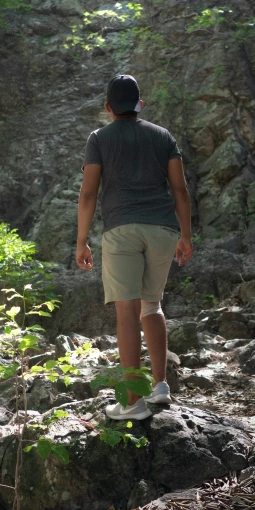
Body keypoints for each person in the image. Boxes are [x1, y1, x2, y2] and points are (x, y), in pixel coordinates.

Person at [76, 73, 192, 421]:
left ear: (109, 107)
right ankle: (160, 387)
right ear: (139, 104)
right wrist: (185, 235)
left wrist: (81, 241)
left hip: (122, 230)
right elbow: (181, 190)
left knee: (126, 312)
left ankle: (131, 402)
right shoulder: (163, 137)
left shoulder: (99, 138)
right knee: (152, 305)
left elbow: (88, 194)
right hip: (162, 230)